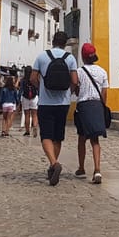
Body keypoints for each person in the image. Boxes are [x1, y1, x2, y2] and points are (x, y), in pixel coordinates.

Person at [31, 31, 78, 186]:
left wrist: (41, 88)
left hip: (45, 103)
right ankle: (53, 165)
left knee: (46, 136)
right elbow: (75, 81)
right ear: (65, 43)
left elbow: (33, 78)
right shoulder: (70, 58)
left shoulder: (42, 56)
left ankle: (54, 163)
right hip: (63, 104)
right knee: (58, 137)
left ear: (53, 41)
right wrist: (68, 93)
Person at [74, 42, 109, 184]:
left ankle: (81, 167)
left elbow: (76, 91)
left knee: (81, 138)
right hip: (97, 105)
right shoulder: (102, 71)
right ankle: (97, 170)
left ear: (83, 57)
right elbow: (104, 93)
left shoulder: (79, 72)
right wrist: (102, 106)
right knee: (95, 140)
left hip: (83, 106)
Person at [19, 65, 39, 137]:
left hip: (25, 98)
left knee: (27, 115)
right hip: (34, 98)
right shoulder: (34, 79)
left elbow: (21, 90)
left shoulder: (23, 80)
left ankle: (27, 131)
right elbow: (37, 88)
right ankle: (35, 127)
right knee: (34, 115)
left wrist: (19, 99)